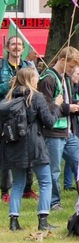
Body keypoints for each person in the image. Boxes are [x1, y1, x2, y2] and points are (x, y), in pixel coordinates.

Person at [1, 68, 57, 231]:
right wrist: (57, 106)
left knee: (18, 183)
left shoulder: (8, 99)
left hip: (13, 146)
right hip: (35, 145)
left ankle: (13, 221)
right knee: (45, 182)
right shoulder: (36, 97)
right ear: (29, 79)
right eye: (35, 78)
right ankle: (43, 220)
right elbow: (49, 121)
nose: (37, 80)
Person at [39, 46, 79, 212]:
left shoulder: (66, 77)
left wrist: (76, 104)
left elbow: (68, 99)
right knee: (54, 169)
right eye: (71, 66)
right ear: (62, 60)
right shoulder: (47, 79)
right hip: (53, 132)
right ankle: (54, 201)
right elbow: (46, 106)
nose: (73, 70)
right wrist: (67, 108)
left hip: (69, 131)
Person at [0, 36, 39, 202]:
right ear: (8, 48)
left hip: (25, 113)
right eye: (13, 44)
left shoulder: (28, 66)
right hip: (5, 115)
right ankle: (5, 189)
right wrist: (8, 85)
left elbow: (36, 86)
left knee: (27, 148)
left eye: (19, 45)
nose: (16, 47)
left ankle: (27, 187)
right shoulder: (1, 66)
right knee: (5, 151)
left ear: (23, 49)